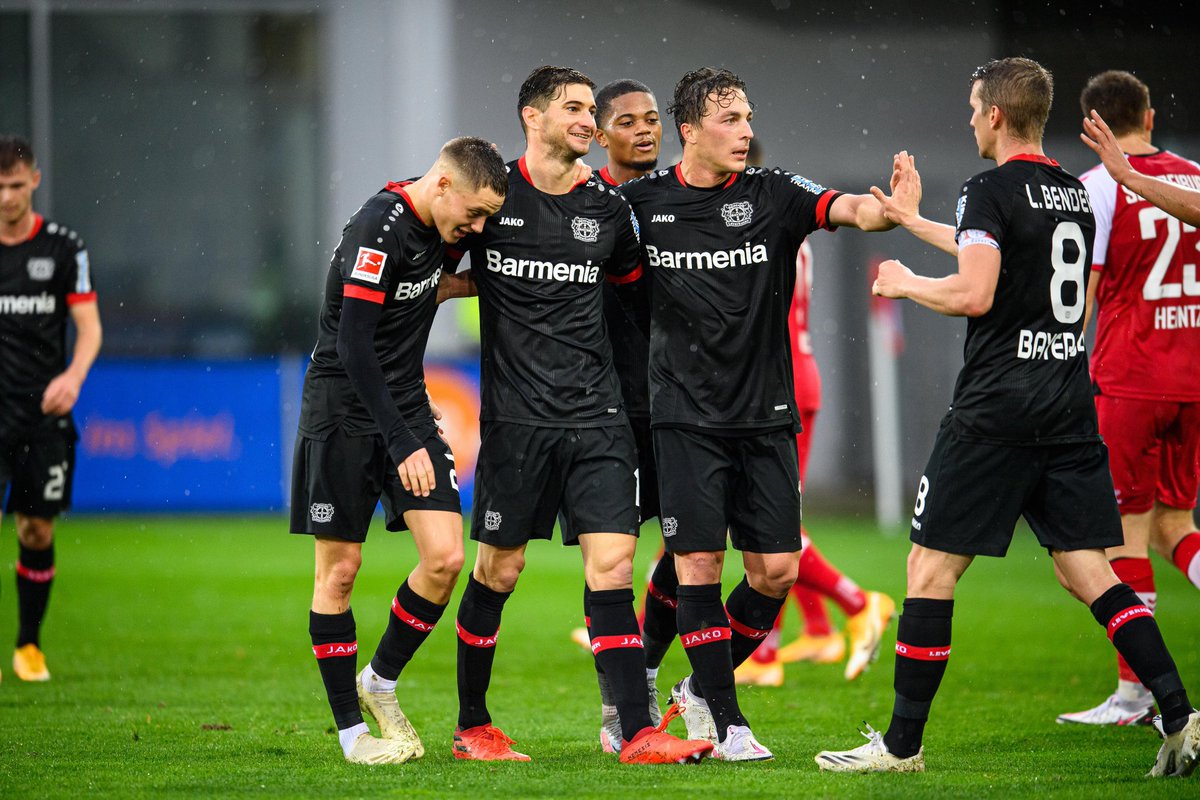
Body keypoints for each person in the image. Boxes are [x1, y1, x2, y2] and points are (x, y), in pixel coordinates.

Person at [815, 57, 1200, 777]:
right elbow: (1004, 255)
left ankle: (900, 747)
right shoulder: (1073, 191)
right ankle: (1180, 716)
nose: (968, 119)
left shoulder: (988, 188)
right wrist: (913, 221)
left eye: (972, 108)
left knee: (930, 568)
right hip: (1066, 404)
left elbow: (976, 292)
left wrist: (905, 282)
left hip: (996, 409)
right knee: (1088, 571)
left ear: (994, 114)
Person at [619, 66, 919, 762]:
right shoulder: (642, 202)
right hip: (684, 417)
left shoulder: (774, 192)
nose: (745, 130)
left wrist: (891, 209)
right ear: (689, 130)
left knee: (777, 571)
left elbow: (850, 210)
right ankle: (729, 725)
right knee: (697, 564)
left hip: (766, 416)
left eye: (748, 117)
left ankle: (696, 689)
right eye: (729, 119)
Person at [441, 65, 712, 765]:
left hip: (599, 419)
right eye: (574, 108)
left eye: (592, 110)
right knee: (499, 571)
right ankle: (472, 724)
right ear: (531, 117)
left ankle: (635, 731)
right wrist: (450, 287)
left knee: (613, 569)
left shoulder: (608, 209)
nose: (589, 121)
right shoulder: (495, 197)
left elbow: (637, 301)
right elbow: (436, 247)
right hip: (516, 424)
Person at [290, 136, 507, 765]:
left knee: (445, 558)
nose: (478, 228)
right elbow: (353, 345)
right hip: (342, 408)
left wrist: (461, 285)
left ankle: (379, 680)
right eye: (474, 214)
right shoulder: (377, 230)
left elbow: (426, 287)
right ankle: (351, 736)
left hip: (403, 403)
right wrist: (402, 436)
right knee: (340, 570)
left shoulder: (446, 227)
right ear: (441, 185)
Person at [1056, 70, 1200, 727]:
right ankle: (1137, 694)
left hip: (1131, 378)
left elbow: (1081, 296)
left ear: (1094, 127)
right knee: (1176, 528)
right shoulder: (1193, 177)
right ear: (1149, 115)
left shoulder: (1097, 186)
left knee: (1123, 539)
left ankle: (1135, 695)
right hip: (1192, 377)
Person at [0, 135, 102, 684]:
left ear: (34, 181)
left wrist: (73, 377)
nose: (6, 197)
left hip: (43, 413)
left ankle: (28, 645)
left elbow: (89, 328)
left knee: (36, 530)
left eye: (16, 185)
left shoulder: (64, 248)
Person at [1082, 109, 1200, 227]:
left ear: (1090, 128)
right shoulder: (1195, 170)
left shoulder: (1093, 184)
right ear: (1149, 118)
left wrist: (1129, 175)